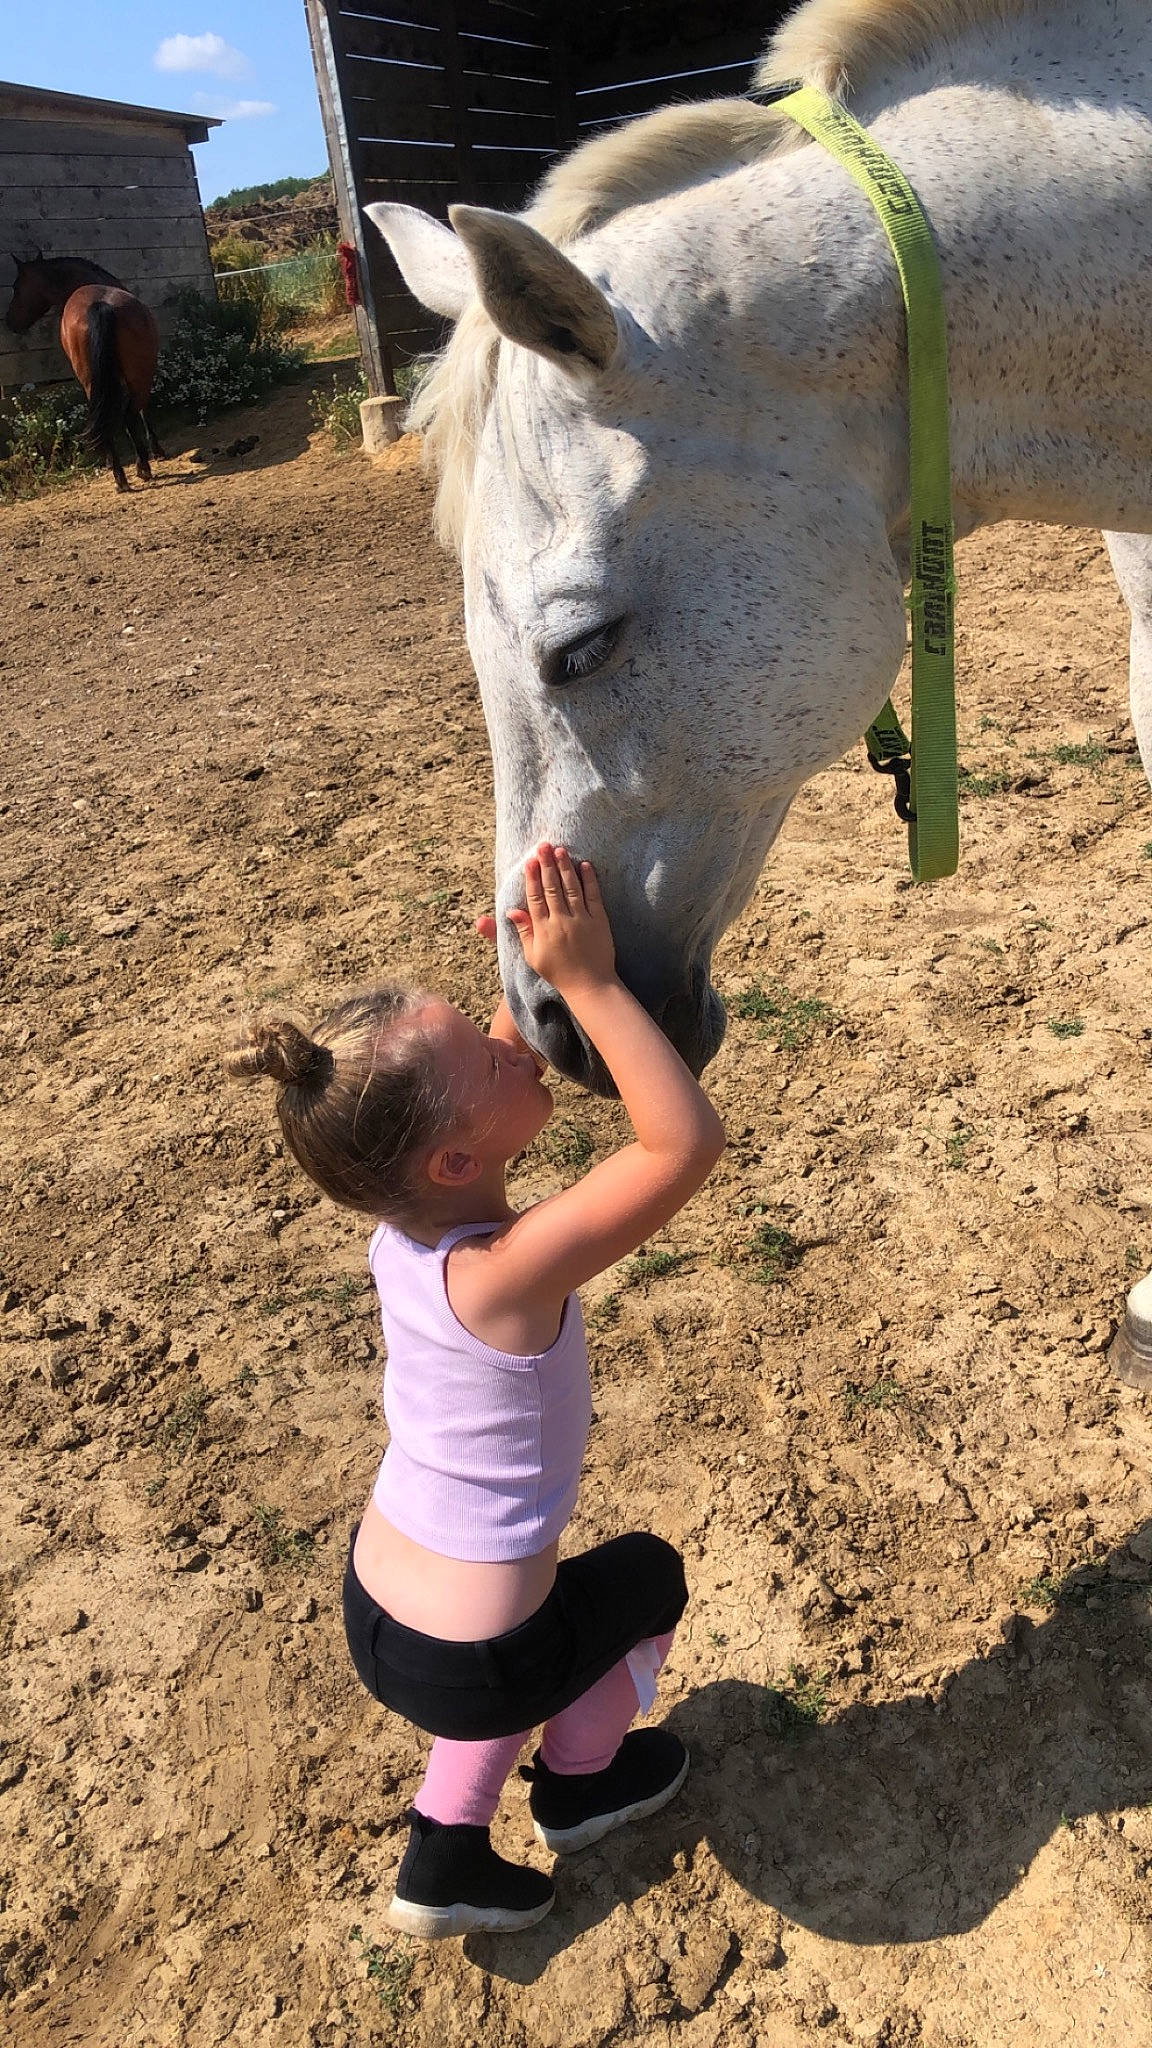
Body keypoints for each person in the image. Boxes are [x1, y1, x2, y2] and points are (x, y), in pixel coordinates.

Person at [227, 842, 725, 1939]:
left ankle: (443, 1847)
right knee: (646, 1579)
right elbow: (683, 1143)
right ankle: (582, 1785)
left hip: (379, 1607)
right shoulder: (507, 1276)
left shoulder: (398, 1222)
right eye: (495, 1060)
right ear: (456, 1160)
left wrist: (528, 952)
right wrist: (589, 985)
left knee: (524, 1623)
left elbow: (482, 1063)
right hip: (479, 1656)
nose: (523, 1048)